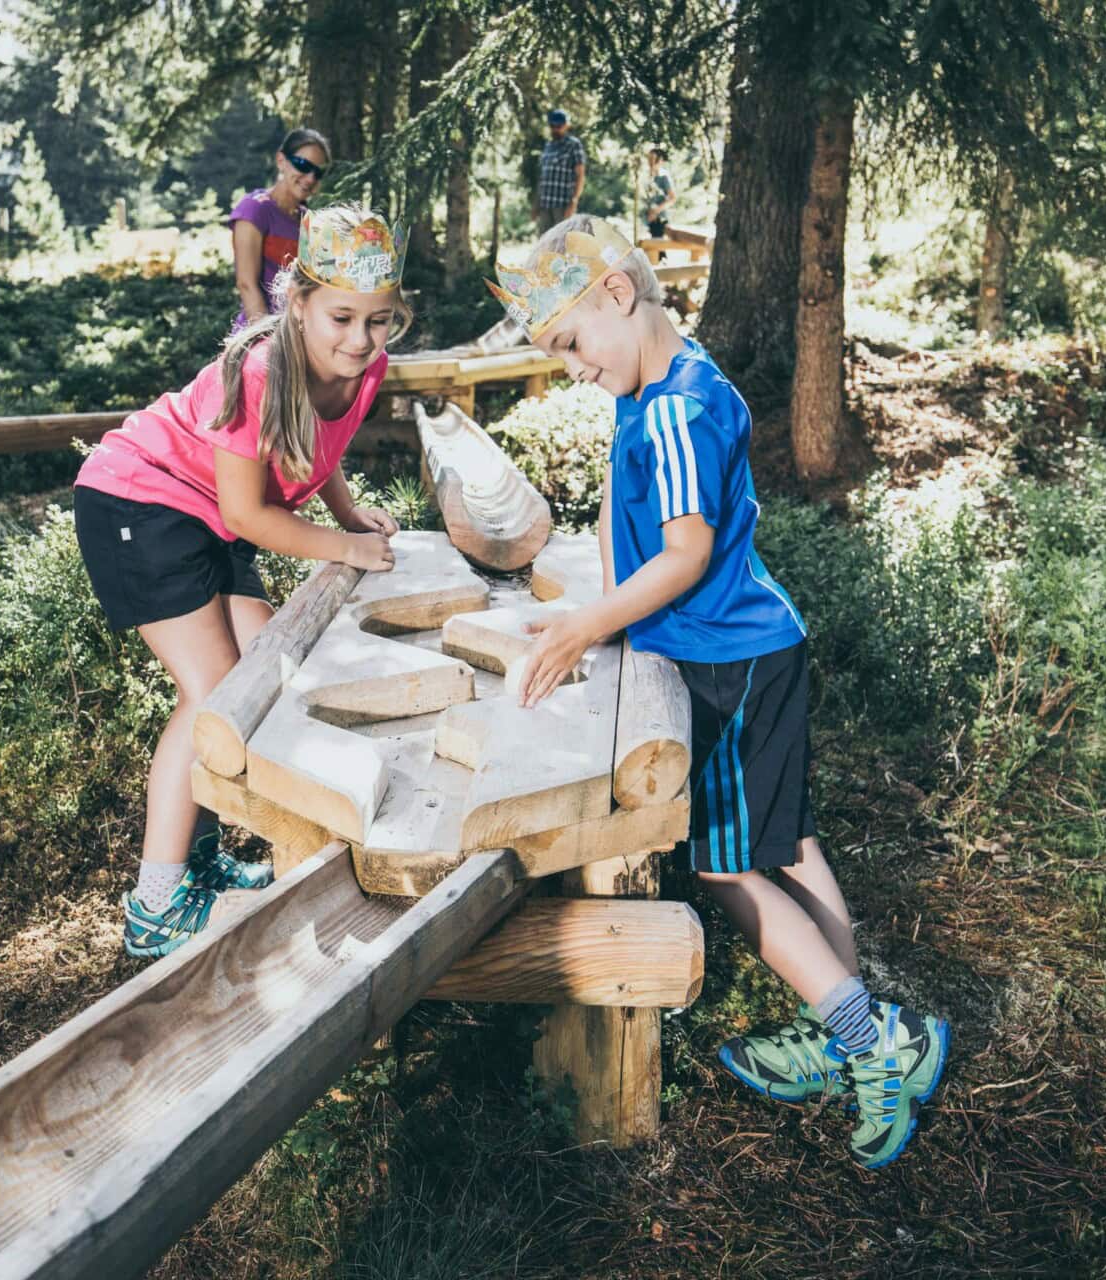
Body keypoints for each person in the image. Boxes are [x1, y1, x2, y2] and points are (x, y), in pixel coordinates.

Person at [487, 215, 952, 1169]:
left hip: (725, 665)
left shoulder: (675, 408)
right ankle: (849, 1020)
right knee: (792, 845)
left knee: (728, 870)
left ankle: (875, 1044)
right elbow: (631, 513)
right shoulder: (665, 375)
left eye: (570, 342)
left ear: (618, 294)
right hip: (755, 649)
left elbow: (688, 551)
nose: (571, 366)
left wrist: (591, 624)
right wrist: (607, 606)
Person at [74, 204, 410, 956]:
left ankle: (197, 860)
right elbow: (249, 513)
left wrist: (349, 514)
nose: (359, 340)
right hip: (139, 499)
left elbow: (315, 452)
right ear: (299, 304)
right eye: (342, 318)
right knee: (214, 692)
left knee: (265, 667)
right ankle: (153, 908)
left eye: (379, 321)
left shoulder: (368, 366)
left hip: (206, 516)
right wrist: (343, 549)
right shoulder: (259, 368)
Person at [227, 128, 331, 336]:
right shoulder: (254, 209)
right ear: (281, 160)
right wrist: (267, 340)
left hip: (301, 337)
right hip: (260, 335)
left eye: (318, 172)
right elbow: (246, 284)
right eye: (303, 165)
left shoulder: (308, 220)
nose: (310, 178)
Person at [535, 109, 585, 234]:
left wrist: (573, 202)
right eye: (552, 126)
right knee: (544, 245)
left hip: (563, 206)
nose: (555, 129)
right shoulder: (548, 146)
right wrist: (536, 204)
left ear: (566, 125)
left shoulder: (574, 145)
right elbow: (543, 178)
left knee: (562, 244)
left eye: (559, 126)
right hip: (545, 205)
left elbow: (580, 176)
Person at [643, 147, 676, 238]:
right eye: (649, 159)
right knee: (652, 249)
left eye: (653, 159)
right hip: (650, 219)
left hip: (660, 219)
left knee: (659, 249)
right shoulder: (651, 177)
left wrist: (656, 211)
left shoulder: (664, 177)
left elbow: (672, 198)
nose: (650, 162)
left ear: (660, 160)